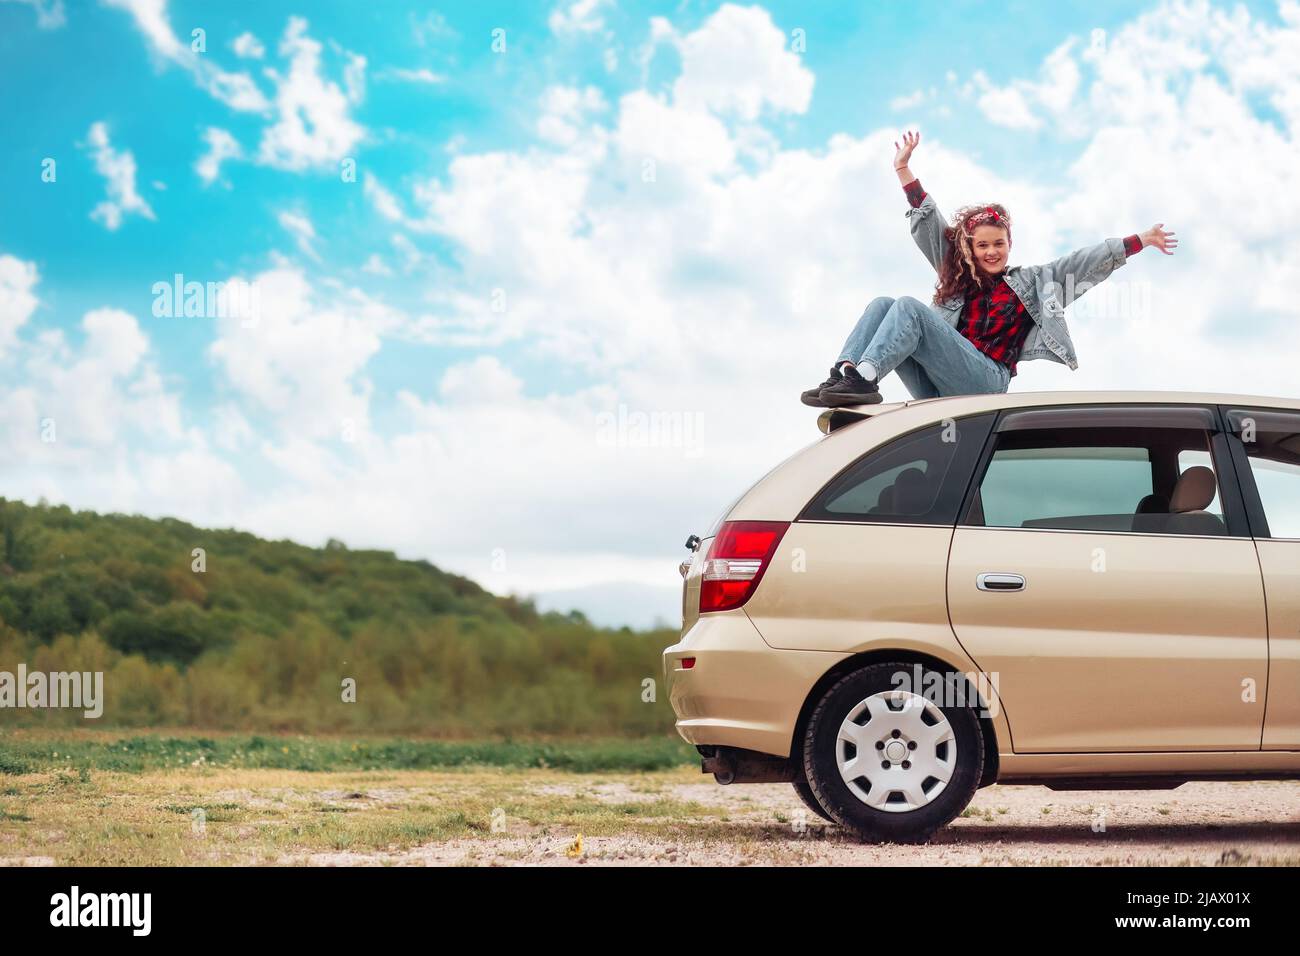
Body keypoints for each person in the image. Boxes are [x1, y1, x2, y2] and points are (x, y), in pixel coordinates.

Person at [803, 130, 1178, 407]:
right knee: (883, 303)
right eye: (983, 245)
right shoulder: (957, 273)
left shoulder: (1033, 282)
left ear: (1009, 244)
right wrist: (904, 171)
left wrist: (1140, 240)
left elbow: (1082, 263)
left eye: (998, 244)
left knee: (908, 308)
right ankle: (845, 374)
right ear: (971, 248)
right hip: (938, 385)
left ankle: (865, 379)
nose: (992, 252)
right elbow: (930, 225)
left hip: (984, 381)